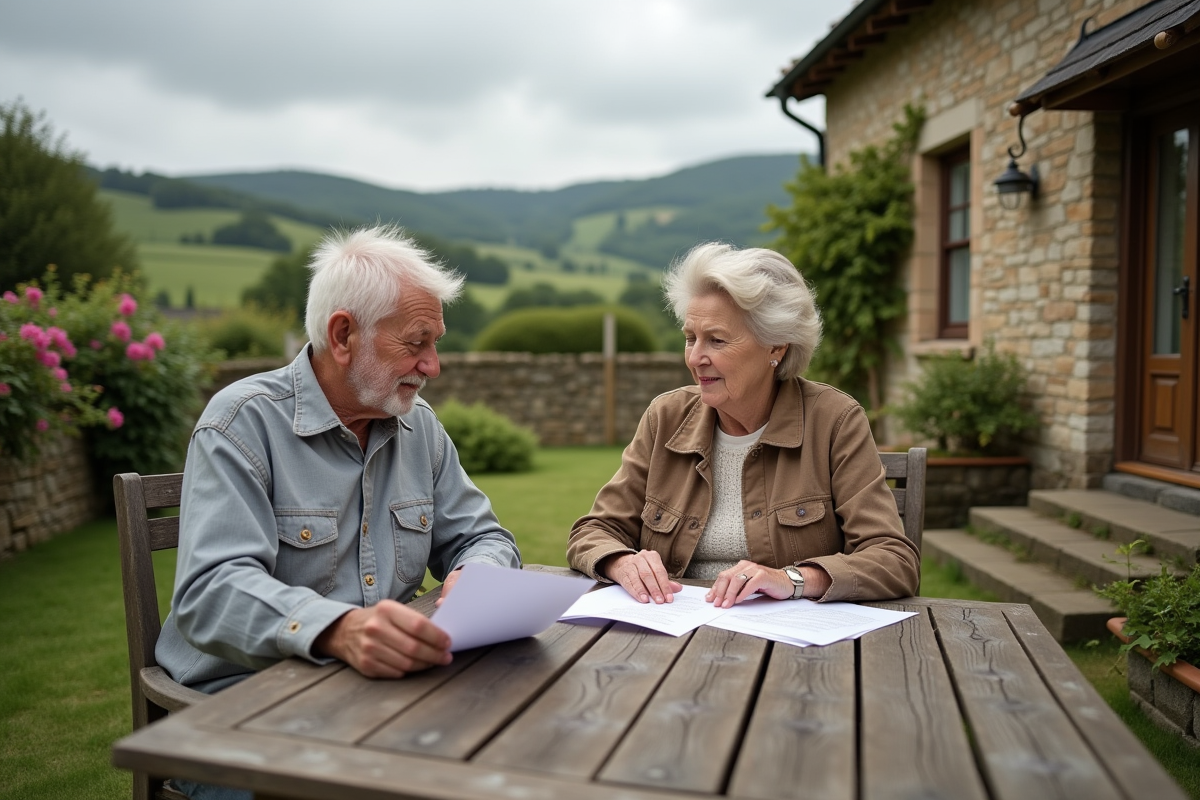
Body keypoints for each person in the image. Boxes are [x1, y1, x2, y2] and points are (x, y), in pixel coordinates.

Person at [156, 224, 521, 703]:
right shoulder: (242, 424)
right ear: (343, 335)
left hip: (374, 692)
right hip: (245, 701)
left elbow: (483, 537)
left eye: (436, 343)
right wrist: (340, 629)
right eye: (416, 343)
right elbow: (212, 594)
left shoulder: (419, 427)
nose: (433, 365)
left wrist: (478, 571)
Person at [567, 242, 918, 608]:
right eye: (690, 338)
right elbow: (593, 532)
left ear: (776, 346)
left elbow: (893, 559)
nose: (695, 357)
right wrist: (622, 562)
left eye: (716, 340)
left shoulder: (834, 421)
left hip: (785, 645)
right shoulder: (665, 417)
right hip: (673, 630)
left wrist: (792, 579)